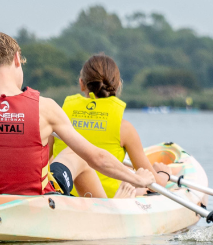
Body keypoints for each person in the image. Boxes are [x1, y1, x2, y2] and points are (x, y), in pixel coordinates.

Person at [0, 31, 155, 196]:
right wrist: (138, 179)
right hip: (37, 200)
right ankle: (109, 211)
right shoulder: (46, 109)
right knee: (77, 155)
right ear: (16, 59)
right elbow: (97, 158)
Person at [49, 54, 168, 198]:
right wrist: (164, 173)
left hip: (66, 198)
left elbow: (45, 162)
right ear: (118, 86)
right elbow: (156, 185)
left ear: (82, 84)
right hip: (105, 201)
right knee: (141, 189)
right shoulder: (124, 129)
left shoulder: (59, 120)